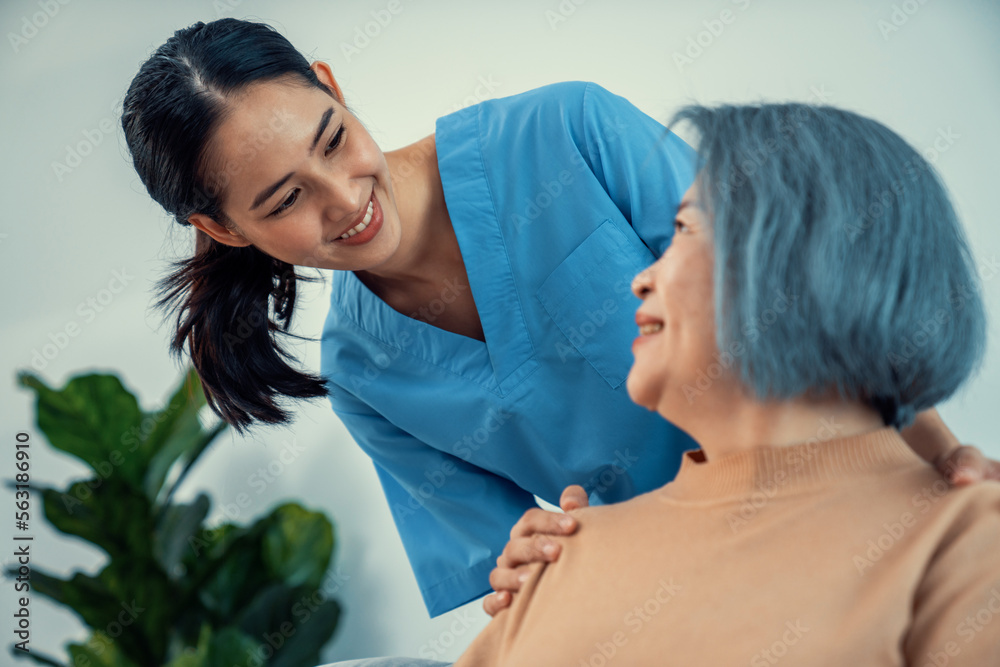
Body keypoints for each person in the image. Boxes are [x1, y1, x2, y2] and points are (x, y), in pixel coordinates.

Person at [121, 18, 998, 619]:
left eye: (331, 139)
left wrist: (937, 454)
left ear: (331, 86)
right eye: (286, 199)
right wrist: (530, 561)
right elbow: (516, 576)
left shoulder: (566, 132)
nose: (346, 198)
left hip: (842, 500)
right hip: (690, 597)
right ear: (223, 228)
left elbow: (797, 297)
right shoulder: (364, 374)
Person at [452, 102, 1000, 666]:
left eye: (685, 228)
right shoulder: (559, 558)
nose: (641, 278)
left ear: (802, 256)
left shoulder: (964, 546)